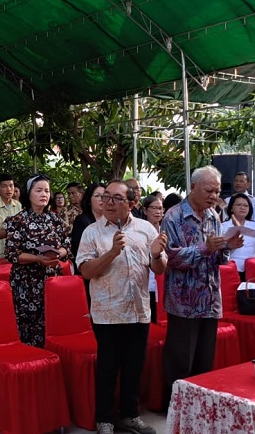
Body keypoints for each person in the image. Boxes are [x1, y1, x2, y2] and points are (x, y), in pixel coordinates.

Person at [77, 180, 166, 434]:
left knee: (134, 366)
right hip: (107, 313)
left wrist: (158, 255)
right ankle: (104, 419)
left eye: (116, 198)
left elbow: (158, 269)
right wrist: (112, 252)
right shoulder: (92, 232)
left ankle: (129, 415)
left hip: (138, 309)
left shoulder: (146, 229)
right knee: (107, 367)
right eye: (105, 197)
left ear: (132, 203)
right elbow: (85, 271)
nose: (109, 203)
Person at [161, 165, 244, 409]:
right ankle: (177, 408)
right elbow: (170, 259)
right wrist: (205, 248)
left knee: (204, 358)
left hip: (209, 298)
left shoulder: (213, 216)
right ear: (193, 187)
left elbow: (218, 258)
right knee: (180, 359)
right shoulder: (173, 217)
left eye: (217, 191)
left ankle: (199, 407)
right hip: (184, 301)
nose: (213, 196)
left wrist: (228, 246)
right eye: (209, 190)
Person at [4, 174, 70, 348]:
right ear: (29, 193)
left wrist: (58, 254)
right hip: (26, 283)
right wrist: (37, 258)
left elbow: (67, 246)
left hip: (52, 280)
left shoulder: (55, 220)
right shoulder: (17, 220)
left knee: (53, 323)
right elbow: (12, 254)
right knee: (29, 328)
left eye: (47, 191)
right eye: (39, 190)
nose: (44, 194)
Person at [221, 194, 255, 281]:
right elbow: (219, 247)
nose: (242, 208)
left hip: (252, 268)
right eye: (239, 205)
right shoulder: (223, 226)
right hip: (231, 268)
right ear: (231, 208)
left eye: (246, 205)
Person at [70, 183, 106, 303]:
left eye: (105, 196)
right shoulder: (82, 221)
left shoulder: (112, 221)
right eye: (98, 196)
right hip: (90, 274)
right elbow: (77, 249)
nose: (102, 200)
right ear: (89, 200)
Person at [140, 195, 165, 323]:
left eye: (160, 208)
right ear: (145, 211)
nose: (158, 212)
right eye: (154, 208)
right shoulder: (140, 232)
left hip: (163, 282)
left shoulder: (166, 231)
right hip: (146, 281)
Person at [0, 174, 22, 259]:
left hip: (17, 252)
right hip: (0, 254)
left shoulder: (18, 205)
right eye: (4, 186)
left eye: (11, 186)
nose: (9, 189)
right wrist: (14, 231)